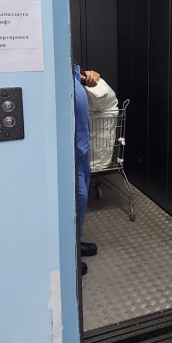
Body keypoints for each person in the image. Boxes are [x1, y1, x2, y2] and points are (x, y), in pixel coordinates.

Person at [74, 64, 100, 275]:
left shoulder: (70, 69)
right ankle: (69, 254)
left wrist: (90, 76)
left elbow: (90, 77)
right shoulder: (54, 73)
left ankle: (75, 242)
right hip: (70, 151)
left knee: (81, 199)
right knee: (78, 198)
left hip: (81, 149)